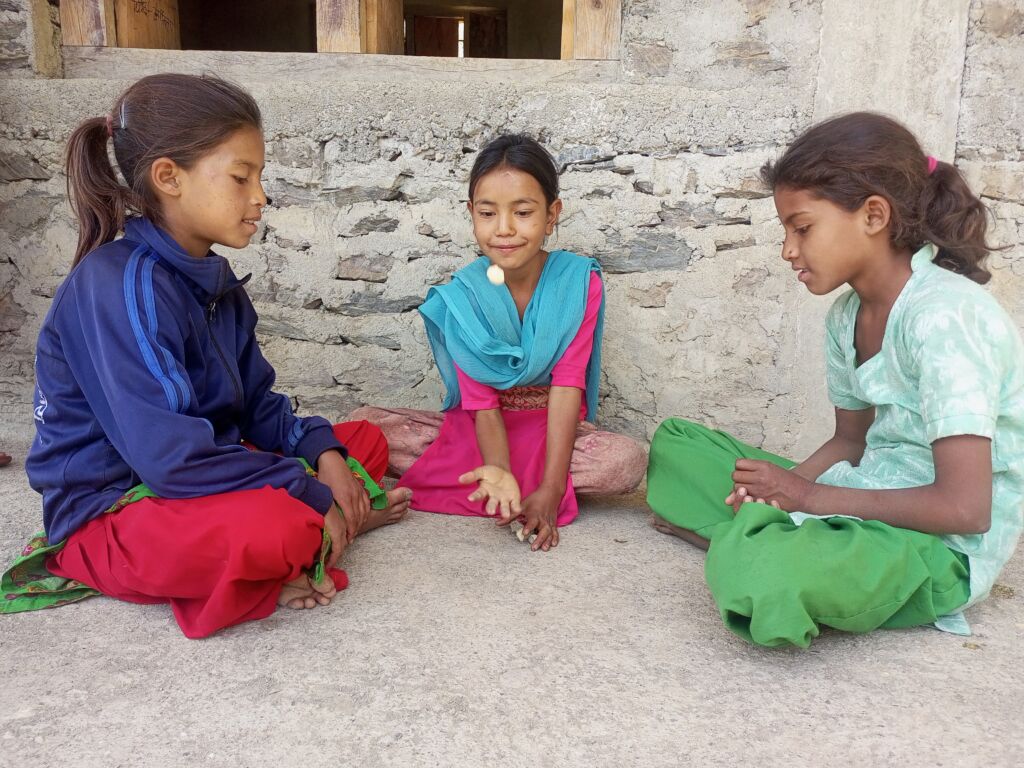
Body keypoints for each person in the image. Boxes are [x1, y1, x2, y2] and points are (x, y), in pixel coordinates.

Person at [13, 74, 411, 638]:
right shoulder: (117, 287)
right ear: (169, 177)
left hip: (197, 474)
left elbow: (256, 406)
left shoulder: (216, 284)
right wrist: (308, 489)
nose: (260, 196)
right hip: (116, 510)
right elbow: (171, 459)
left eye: (260, 178)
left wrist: (320, 454)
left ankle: (327, 524)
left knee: (357, 442)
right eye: (241, 177)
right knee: (278, 527)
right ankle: (318, 531)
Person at [647, 112, 1024, 648]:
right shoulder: (847, 315)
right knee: (677, 447)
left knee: (767, 576)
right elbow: (851, 441)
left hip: (937, 547)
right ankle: (751, 532)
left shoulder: (945, 317)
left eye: (802, 228)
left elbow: (965, 508)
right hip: (864, 492)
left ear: (873, 215)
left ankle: (746, 543)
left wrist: (807, 497)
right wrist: (775, 496)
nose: (788, 250)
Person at [352, 134, 646, 551]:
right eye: (488, 213)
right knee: (363, 427)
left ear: (551, 214)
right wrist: (498, 470)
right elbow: (481, 404)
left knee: (624, 461)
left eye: (523, 212)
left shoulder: (580, 283)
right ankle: (499, 484)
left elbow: (567, 385)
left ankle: (530, 486)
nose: (504, 229)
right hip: (478, 429)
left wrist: (549, 486)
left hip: (551, 428)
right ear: (472, 214)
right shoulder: (463, 297)